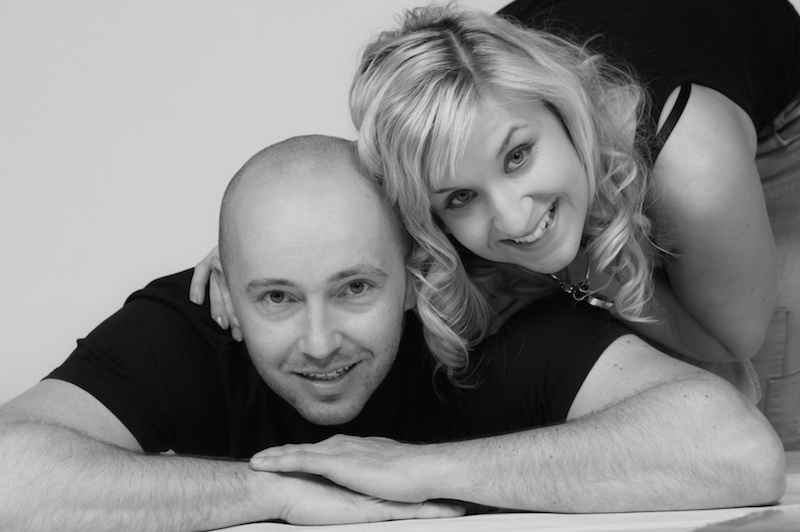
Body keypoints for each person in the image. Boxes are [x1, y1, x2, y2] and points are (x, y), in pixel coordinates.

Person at [0, 136, 785, 531]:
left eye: (355, 289)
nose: (318, 342)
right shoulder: (190, 322)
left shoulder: (487, 325)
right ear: (228, 293)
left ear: (414, 279)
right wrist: (267, 494)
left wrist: (418, 469)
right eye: (276, 298)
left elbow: (734, 449)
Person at [340, 0, 800, 446]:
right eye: (461, 197)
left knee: (775, 409)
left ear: (562, 110)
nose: (514, 217)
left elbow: (735, 339)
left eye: (517, 156)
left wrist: (584, 269)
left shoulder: (695, 173)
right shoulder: (466, 113)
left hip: (774, 120)